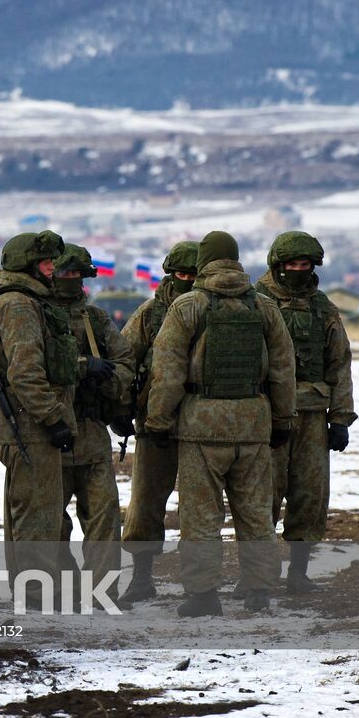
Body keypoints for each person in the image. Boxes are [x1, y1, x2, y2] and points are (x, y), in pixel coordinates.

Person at [144, 231, 295, 616]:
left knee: (201, 517)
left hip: (200, 428)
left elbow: (168, 371)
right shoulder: (264, 307)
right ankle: (259, 590)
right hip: (254, 424)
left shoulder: (187, 306)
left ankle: (203, 596)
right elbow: (282, 368)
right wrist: (282, 419)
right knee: (256, 513)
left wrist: (158, 421)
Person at [0, 231, 79, 605]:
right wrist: (53, 418)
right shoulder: (20, 305)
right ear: (27, 264)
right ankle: (36, 595)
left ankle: (31, 590)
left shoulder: (20, 300)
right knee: (38, 516)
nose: (53, 269)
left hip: (25, 423)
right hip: (31, 426)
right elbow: (25, 373)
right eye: (46, 263)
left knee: (28, 510)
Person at [255, 231, 356, 592]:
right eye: (292, 264)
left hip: (313, 415)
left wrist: (341, 418)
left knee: (309, 496)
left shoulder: (322, 307)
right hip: (268, 416)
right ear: (278, 265)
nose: (299, 270)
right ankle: (257, 574)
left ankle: (298, 574)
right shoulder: (257, 302)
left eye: (305, 264)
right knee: (262, 496)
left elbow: (339, 362)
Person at [50, 244, 134, 594]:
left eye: (76, 274)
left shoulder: (96, 319)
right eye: (64, 274)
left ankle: (103, 589)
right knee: (52, 521)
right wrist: (83, 367)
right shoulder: (36, 316)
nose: (71, 280)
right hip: (51, 434)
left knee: (103, 517)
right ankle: (63, 587)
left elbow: (125, 363)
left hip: (91, 430)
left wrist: (110, 383)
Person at [119, 240, 199, 602]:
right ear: (170, 274)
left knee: (200, 505)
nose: (187, 280)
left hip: (204, 422)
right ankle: (141, 576)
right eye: (181, 274)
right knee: (146, 501)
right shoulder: (150, 315)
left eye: (193, 275)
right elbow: (125, 359)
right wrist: (120, 408)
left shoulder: (215, 310)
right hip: (154, 423)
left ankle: (200, 581)